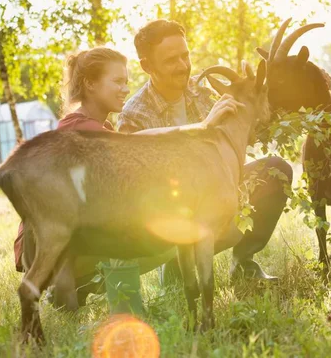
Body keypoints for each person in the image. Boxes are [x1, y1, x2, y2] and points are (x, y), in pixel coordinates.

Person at [14, 46, 241, 303]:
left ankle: (83, 285)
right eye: (117, 82)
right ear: (90, 84)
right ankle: (84, 288)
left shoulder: (100, 126)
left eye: (127, 82)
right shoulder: (79, 127)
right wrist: (201, 127)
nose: (125, 88)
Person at [118, 19, 293, 281]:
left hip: (220, 193)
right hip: (176, 209)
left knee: (275, 170)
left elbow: (253, 122)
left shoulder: (203, 90)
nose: (183, 66)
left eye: (185, 55)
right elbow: (137, 189)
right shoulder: (134, 116)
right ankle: (179, 265)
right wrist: (204, 126)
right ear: (146, 66)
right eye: (171, 60)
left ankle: (243, 263)